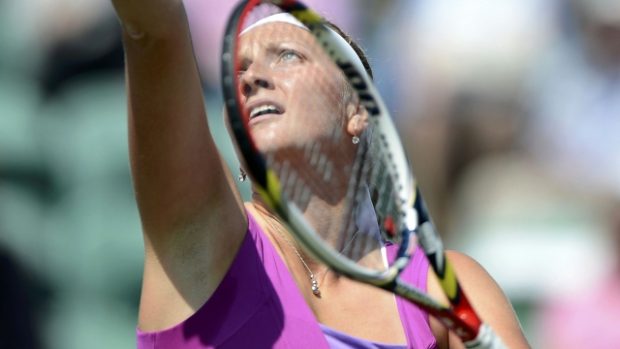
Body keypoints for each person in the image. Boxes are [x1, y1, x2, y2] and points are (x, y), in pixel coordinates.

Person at [110, 1, 530, 348]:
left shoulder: (446, 289)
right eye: (235, 76)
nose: (252, 80)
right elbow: (154, 31)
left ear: (357, 110)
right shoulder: (205, 242)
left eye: (287, 55)